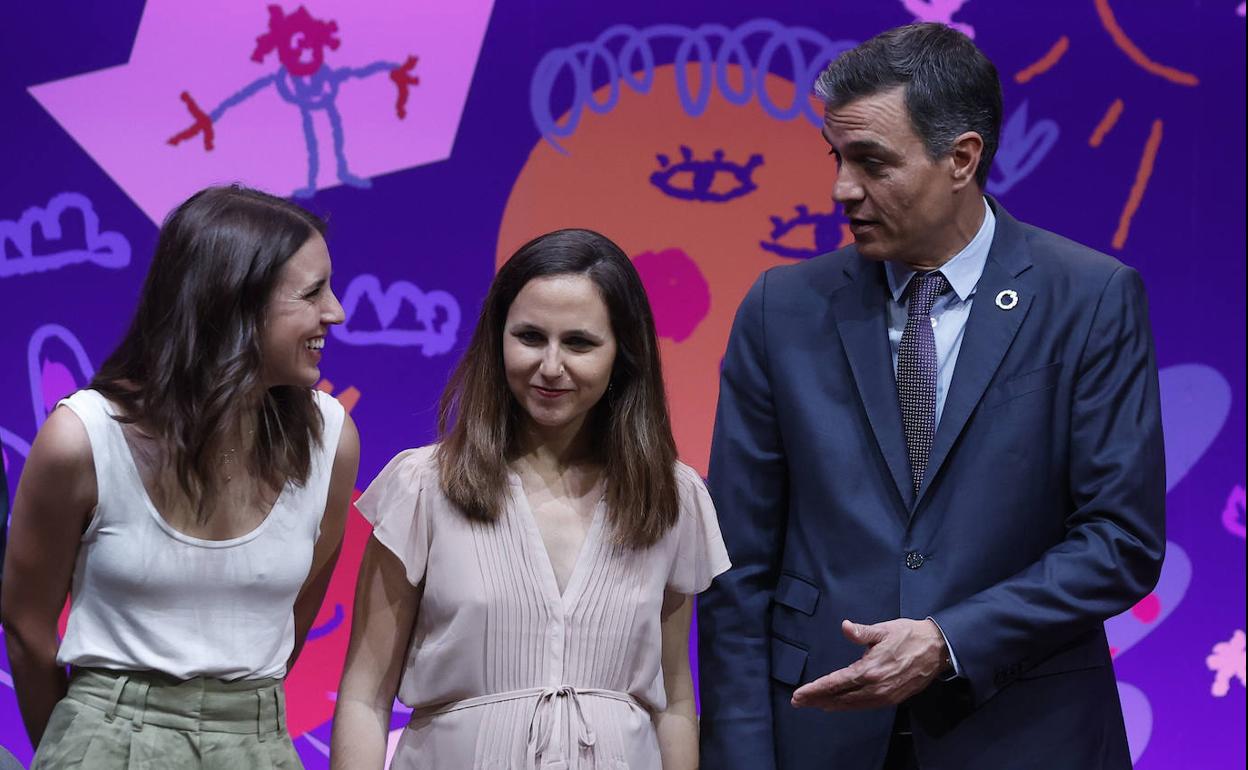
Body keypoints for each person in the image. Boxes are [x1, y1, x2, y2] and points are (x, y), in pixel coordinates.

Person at [697, 22, 1165, 770]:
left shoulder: (1090, 298)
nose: (842, 189)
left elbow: (1120, 540)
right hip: (820, 738)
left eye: (873, 162)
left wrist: (951, 640)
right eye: (838, 158)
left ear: (962, 158)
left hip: (1026, 735)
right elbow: (737, 570)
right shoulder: (779, 309)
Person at [330, 228, 729, 769]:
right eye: (530, 337)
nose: (551, 366)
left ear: (623, 354)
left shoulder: (671, 497)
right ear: (497, 340)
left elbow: (675, 700)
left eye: (580, 343)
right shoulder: (423, 485)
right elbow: (365, 696)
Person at [1, 185, 359, 768]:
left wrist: (238, 722)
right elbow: (25, 625)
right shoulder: (82, 437)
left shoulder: (330, 440)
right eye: (312, 292)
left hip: (258, 742)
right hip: (104, 736)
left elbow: (292, 619)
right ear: (233, 301)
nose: (335, 312)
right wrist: (77, 748)